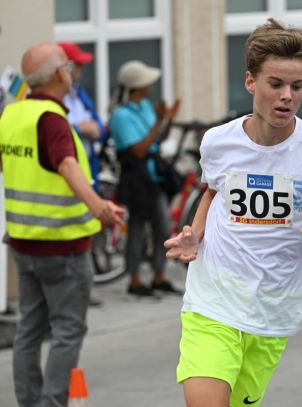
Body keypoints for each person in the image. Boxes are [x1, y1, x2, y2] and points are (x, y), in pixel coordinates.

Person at [164, 18, 302, 407]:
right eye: (275, 84)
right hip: (212, 301)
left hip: (271, 311)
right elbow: (213, 190)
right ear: (251, 82)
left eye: (297, 86)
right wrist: (196, 232)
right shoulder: (218, 142)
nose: (286, 96)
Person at [0, 42, 124, 407]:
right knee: (68, 330)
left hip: (23, 243)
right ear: (59, 73)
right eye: (68, 66)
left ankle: (29, 401)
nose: (70, 72)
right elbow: (67, 166)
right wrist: (99, 206)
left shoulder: (11, 115)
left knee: (29, 329)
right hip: (62, 246)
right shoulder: (52, 120)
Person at [108, 60, 181, 297]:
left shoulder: (146, 106)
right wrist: (159, 121)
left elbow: (158, 139)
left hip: (152, 176)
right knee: (138, 229)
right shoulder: (120, 115)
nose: (151, 85)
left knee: (161, 227)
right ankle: (135, 279)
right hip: (136, 179)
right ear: (138, 85)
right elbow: (139, 150)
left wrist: (167, 120)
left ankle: (158, 275)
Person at [58, 41, 106, 192]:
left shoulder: (80, 93)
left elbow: (99, 125)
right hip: (67, 171)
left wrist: (97, 129)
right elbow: (54, 130)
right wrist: (79, 129)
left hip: (88, 167)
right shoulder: (55, 98)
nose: (81, 69)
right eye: (78, 64)